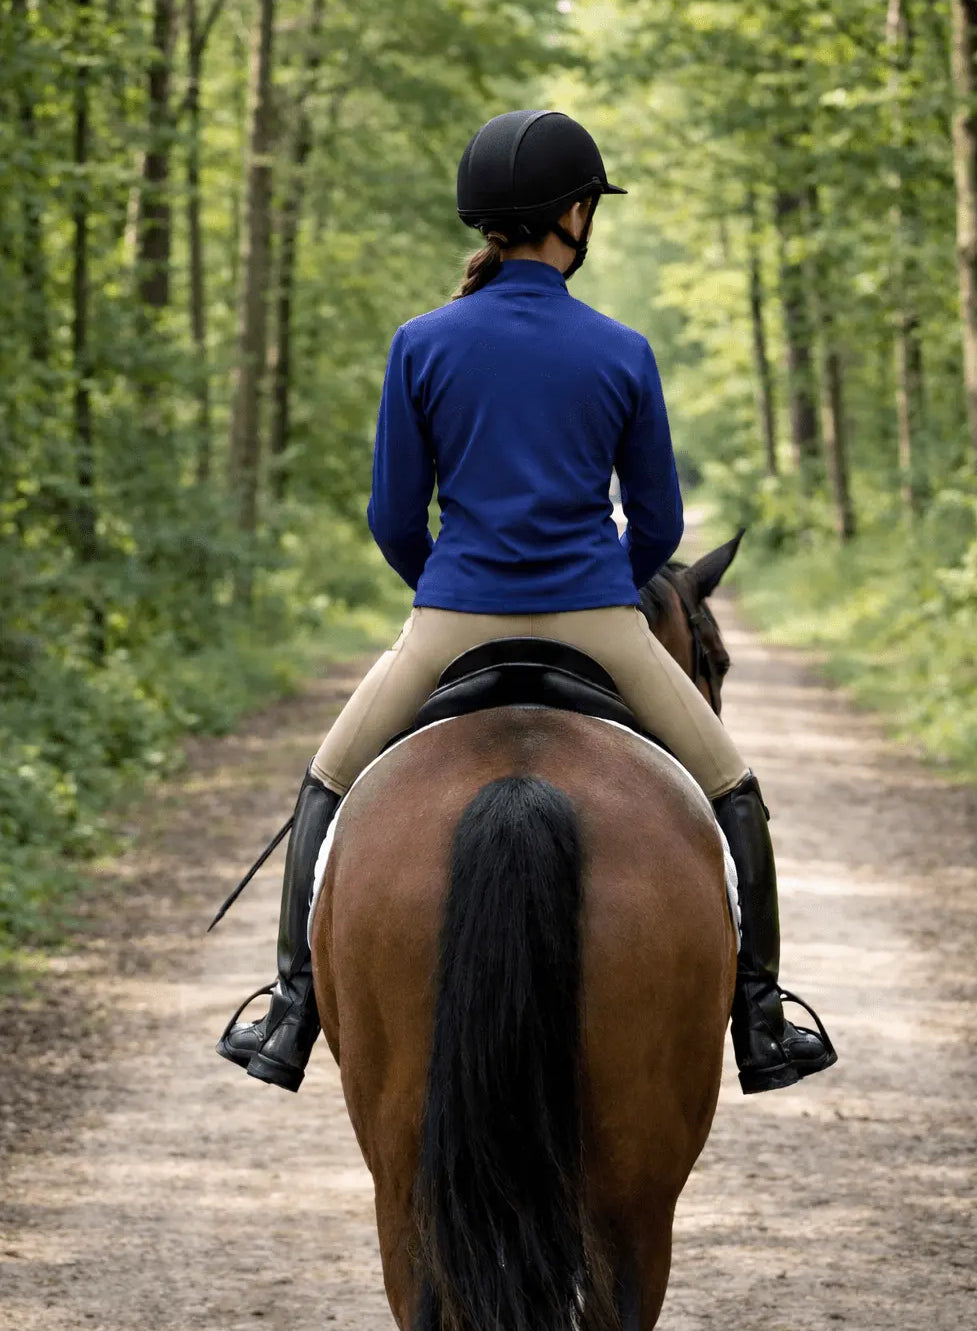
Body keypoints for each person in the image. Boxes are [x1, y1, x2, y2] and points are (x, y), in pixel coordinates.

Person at [216, 109, 837, 1096]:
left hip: (452, 616)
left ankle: (291, 1008)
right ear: (572, 215)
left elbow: (391, 515)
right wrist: (594, 575)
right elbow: (663, 525)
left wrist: (451, 587)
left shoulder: (419, 343)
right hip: (597, 616)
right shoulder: (621, 349)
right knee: (733, 788)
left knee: (327, 783)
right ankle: (760, 1015)